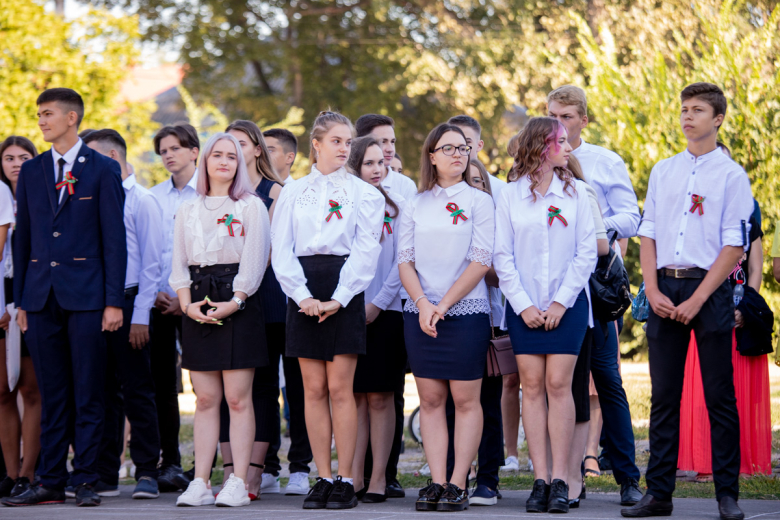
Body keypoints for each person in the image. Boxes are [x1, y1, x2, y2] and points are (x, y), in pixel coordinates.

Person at [622, 83, 753, 520]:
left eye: (697, 110)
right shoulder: (664, 171)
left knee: (720, 396)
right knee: (663, 397)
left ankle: (727, 495)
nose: (687, 116)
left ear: (718, 119)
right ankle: (658, 493)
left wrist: (698, 298)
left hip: (708, 291)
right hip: (665, 287)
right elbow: (648, 232)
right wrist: (652, 288)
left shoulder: (732, 176)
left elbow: (735, 245)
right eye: (683, 109)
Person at [3, 88, 127, 508]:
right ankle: (51, 479)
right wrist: (21, 301)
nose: (40, 121)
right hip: (40, 298)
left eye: (48, 113)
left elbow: (114, 239)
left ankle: (87, 479)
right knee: (53, 393)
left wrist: (113, 302)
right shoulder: (33, 169)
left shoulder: (102, 168)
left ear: (72, 117)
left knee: (89, 390)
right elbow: (23, 239)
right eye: (39, 114)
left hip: (89, 297)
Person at [271, 111, 384, 510]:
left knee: (340, 388)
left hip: (343, 287)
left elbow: (367, 250)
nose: (344, 148)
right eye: (336, 141)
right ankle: (322, 477)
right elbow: (281, 249)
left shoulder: (364, 194)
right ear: (316, 144)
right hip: (302, 288)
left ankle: (346, 478)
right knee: (313, 389)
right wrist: (301, 296)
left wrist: (340, 297)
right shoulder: (293, 192)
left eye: (348, 142)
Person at [494, 117, 597, 514]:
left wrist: (559, 303)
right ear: (541, 147)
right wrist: (523, 304)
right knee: (532, 387)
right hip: (524, 308)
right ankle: (540, 479)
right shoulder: (510, 195)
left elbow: (586, 253)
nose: (569, 148)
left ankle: (561, 480)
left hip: (567, 306)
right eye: (561, 141)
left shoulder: (577, 193)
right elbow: (502, 256)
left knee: (558, 384)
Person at [547, 85, 643, 504]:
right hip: (550, 289)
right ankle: (564, 479)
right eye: (552, 115)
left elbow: (632, 217)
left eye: (566, 116)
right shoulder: (535, 164)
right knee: (559, 384)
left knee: (606, 379)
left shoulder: (605, 162)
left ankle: (628, 478)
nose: (558, 124)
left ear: (583, 120)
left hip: (595, 286)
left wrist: (596, 229)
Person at [398, 123, 494, 512]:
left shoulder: (479, 201)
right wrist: (424, 304)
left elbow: (481, 260)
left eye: (463, 148)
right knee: (431, 399)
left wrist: (445, 304)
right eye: (448, 148)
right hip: (421, 314)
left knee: (466, 400)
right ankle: (437, 481)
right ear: (432, 156)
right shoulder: (415, 203)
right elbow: (404, 261)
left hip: (465, 313)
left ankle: (458, 483)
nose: (458, 154)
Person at [171, 133, 271, 507]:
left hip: (238, 301)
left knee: (237, 398)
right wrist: (187, 306)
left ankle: (237, 481)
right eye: (217, 155)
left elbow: (256, 261)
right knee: (206, 399)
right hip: (198, 301)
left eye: (232, 156)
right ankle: (199, 481)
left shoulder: (251, 206)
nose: (225, 161)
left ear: (240, 164)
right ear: (205, 161)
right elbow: (178, 263)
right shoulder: (188, 208)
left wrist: (237, 300)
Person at [678, 141, 771, 480]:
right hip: (701, 308)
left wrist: (746, 307)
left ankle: (742, 462)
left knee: (737, 392)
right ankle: (705, 462)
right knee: (704, 389)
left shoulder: (749, 208)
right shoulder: (689, 207)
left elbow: (756, 268)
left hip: (737, 312)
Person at [82, 129, 164, 499]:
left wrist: (141, 315)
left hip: (132, 304)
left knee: (138, 390)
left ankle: (147, 471)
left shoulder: (142, 200)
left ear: (112, 157)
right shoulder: (93, 197)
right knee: (101, 391)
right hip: (94, 304)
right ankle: (105, 473)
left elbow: (151, 263)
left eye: (91, 158)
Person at [446, 117, 505, 508]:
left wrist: (482, 267)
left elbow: (499, 273)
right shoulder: (445, 214)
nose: (475, 185)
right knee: (454, 403)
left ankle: (488, 478)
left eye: (480, 181)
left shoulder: (495, 215)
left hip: (488, 317)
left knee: (487, 402)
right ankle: (455, 474)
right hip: (449, 315)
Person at [354, 113, 415, 498]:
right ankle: (354, 477)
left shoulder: (400, 201)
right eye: (370, 162)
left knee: (381, 395)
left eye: (382, 161)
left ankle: (380, 477)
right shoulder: (343, 202)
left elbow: (401, 261)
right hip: (348, 309)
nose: (379, 167)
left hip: (388, 309)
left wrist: (378, 303)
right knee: (355, 398)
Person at [260, 126, 313, 495]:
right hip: (263, 302)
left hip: (297, 303)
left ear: (290, 156)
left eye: (271, 149)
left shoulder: (304, 193)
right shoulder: (253, 193)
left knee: (299, 389)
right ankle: (266, 466)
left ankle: (301, 467)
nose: (263, 154)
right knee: (264, 388)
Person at [149, 123, 200, 492]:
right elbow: (146, 251)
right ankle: (170, 462)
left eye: (175, 148)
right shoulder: (152, 197)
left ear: (194, 151)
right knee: (163, 386)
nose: (168, 155)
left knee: (206, 386)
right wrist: (155, 293)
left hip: (199, 304)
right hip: (159, 303)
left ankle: (206, 464)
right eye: (163, 150)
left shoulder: (211, 194)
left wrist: (186, 300)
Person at [0, 136, 41, 500]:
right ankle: (10, 474)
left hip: (31, 299)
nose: (16, 164)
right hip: (2, 298)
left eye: (23, 157)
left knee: (30, 388)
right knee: (3, 390)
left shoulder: (39, 198)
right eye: (9, 158)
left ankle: (29, 473)